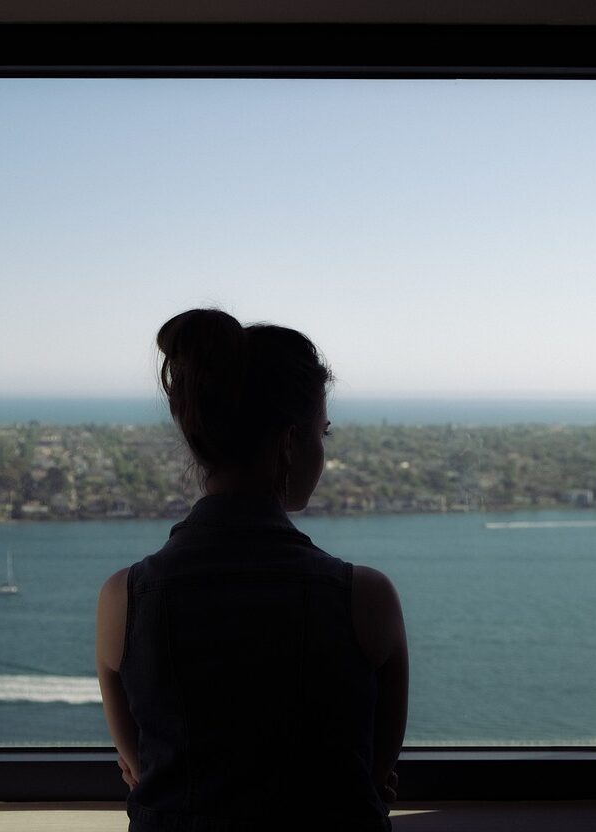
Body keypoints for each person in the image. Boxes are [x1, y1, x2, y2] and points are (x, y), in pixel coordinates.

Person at [96, 308, 408, 832]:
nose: (322, 453)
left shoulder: (124, 599)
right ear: (289, 443)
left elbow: (144, 772)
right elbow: (373, 774)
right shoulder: (366, 599)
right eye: (321, 434)